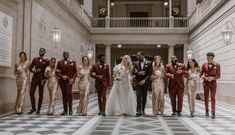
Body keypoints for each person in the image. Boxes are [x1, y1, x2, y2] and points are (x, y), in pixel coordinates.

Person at [28, 48, 50, 114]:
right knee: (31, 93)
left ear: (44, 52)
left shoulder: (47, 61)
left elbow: (49, 71)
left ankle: (38, 109)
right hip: (34, 78)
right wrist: (34, 70)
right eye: (40, 51)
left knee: (41, 94)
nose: (41, 52)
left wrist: (45, 79)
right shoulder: (35, 59)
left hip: (42, 80)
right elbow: (30, 68)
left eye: (42, 51)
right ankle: (33, 108)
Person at [200, 52, 220, 119]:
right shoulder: (204, 65)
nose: (209, 59)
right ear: (207, 58)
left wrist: (213, 78)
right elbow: (201, 74)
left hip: (213, 83)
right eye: (208, 58)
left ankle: (213, 112)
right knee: (206, 97)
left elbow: (219, 76)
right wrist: (204, 77)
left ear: (213, 58)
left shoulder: (217, 65)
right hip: (206, 83)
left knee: (212, 97)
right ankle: (206, 111)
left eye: (211, 58)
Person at [132, 51, 152, 116]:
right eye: (137, 56)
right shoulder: (135, 63)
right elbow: (132, 72)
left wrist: (144, 80)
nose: (137, 57)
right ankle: (138, 111)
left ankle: (143, 110)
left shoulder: (149, 62)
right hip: (138, 82)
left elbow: (150, 73)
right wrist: (138, 73)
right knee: (138, 96)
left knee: (144, 96)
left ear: (143, 55)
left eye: (139, 55)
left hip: (145, 82)